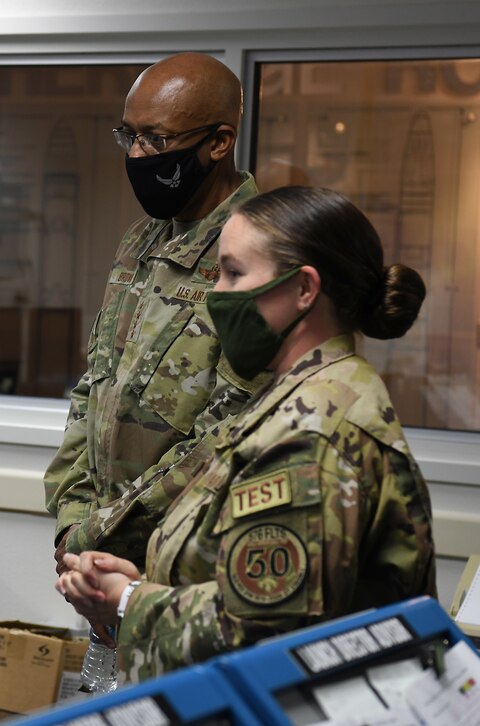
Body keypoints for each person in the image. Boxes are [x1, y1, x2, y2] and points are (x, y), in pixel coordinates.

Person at [56, 185, 436, 682]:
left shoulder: (312, 431)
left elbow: (263, 631)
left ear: (304, 289)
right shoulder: (296, 396)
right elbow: (255, 581)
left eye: (234, 273)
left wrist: (126, 602)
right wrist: (148, 581)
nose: (216, 294)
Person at [45, 52, 265, 580]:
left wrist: (104, 531)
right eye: (130, 136)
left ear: (218, 142)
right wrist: (72, 520)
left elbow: (229, 429)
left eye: (157, 140)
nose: (139, 153)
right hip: (100, 553)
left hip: (189, 558)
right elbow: (94, 388)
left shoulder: (258, 252)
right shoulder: (142, 240)